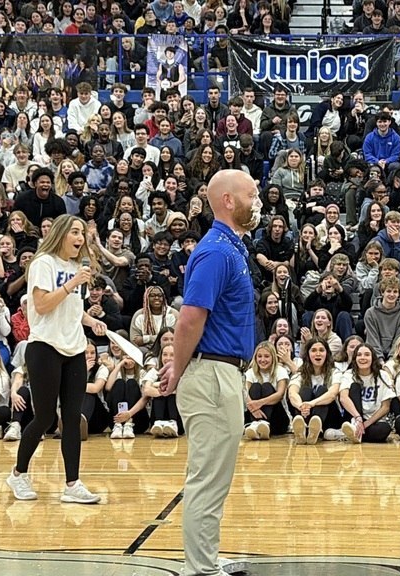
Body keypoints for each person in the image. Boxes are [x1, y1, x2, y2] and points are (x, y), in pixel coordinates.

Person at [156, 169, 261, 576]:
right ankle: (200, 569)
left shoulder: (230, 248)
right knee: (207, 479)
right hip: (213, 376)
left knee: (214, 478)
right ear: (229, 201)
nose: (258, 201)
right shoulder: (216, 251)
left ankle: (205, 558)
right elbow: (189, 319)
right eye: (251, 195)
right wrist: (177, 369)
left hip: (223, 373)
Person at [6, 214, 109, 505]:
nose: (80, 238)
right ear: (62, 234)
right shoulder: (43, 264)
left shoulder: (78, 268)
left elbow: (72, 310)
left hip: (74, 348)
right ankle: (18, 473)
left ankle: (72, 484)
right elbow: (42, 304)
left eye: (82, 233)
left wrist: (91, 322)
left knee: (72, 418)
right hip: (45, 347)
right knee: (45, 417)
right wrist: (72, 283)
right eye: (74, 232)